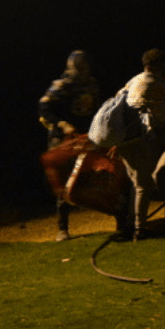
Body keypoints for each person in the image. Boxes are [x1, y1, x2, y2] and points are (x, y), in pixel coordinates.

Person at [38, 50, 100, 241]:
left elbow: (95, 108)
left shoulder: (91, 84)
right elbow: (44, 108)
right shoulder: (62, 85)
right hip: (62, 136)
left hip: (85, 135)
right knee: (64, 177)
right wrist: (62, 124)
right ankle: (62, 228)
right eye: (79, 66)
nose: (82, 70)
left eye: (85, 66)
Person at [114, 48, 165, 240]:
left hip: (121, 138)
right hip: (137, 140)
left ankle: (130, 224)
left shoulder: (134, 80)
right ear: (156, 66)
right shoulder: (155, 82)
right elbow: (159, 117)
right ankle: (140, 229)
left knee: (136, 183)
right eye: (162, 64)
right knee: (144, 185)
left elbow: (119, 97)